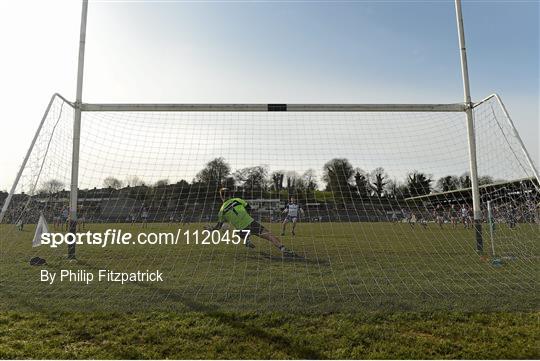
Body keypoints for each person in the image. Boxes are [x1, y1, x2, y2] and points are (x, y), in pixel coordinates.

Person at [209, 188, 297, 257]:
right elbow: (249, 208)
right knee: (269, 235)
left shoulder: (221, 211)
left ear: (221, 196)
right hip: (251, 223)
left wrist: (211, 229)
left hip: (241, 229)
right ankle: (283, 249)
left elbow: (219, 226)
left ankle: (246, 240)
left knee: (237, 232)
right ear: (230, 194)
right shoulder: (237, 200)